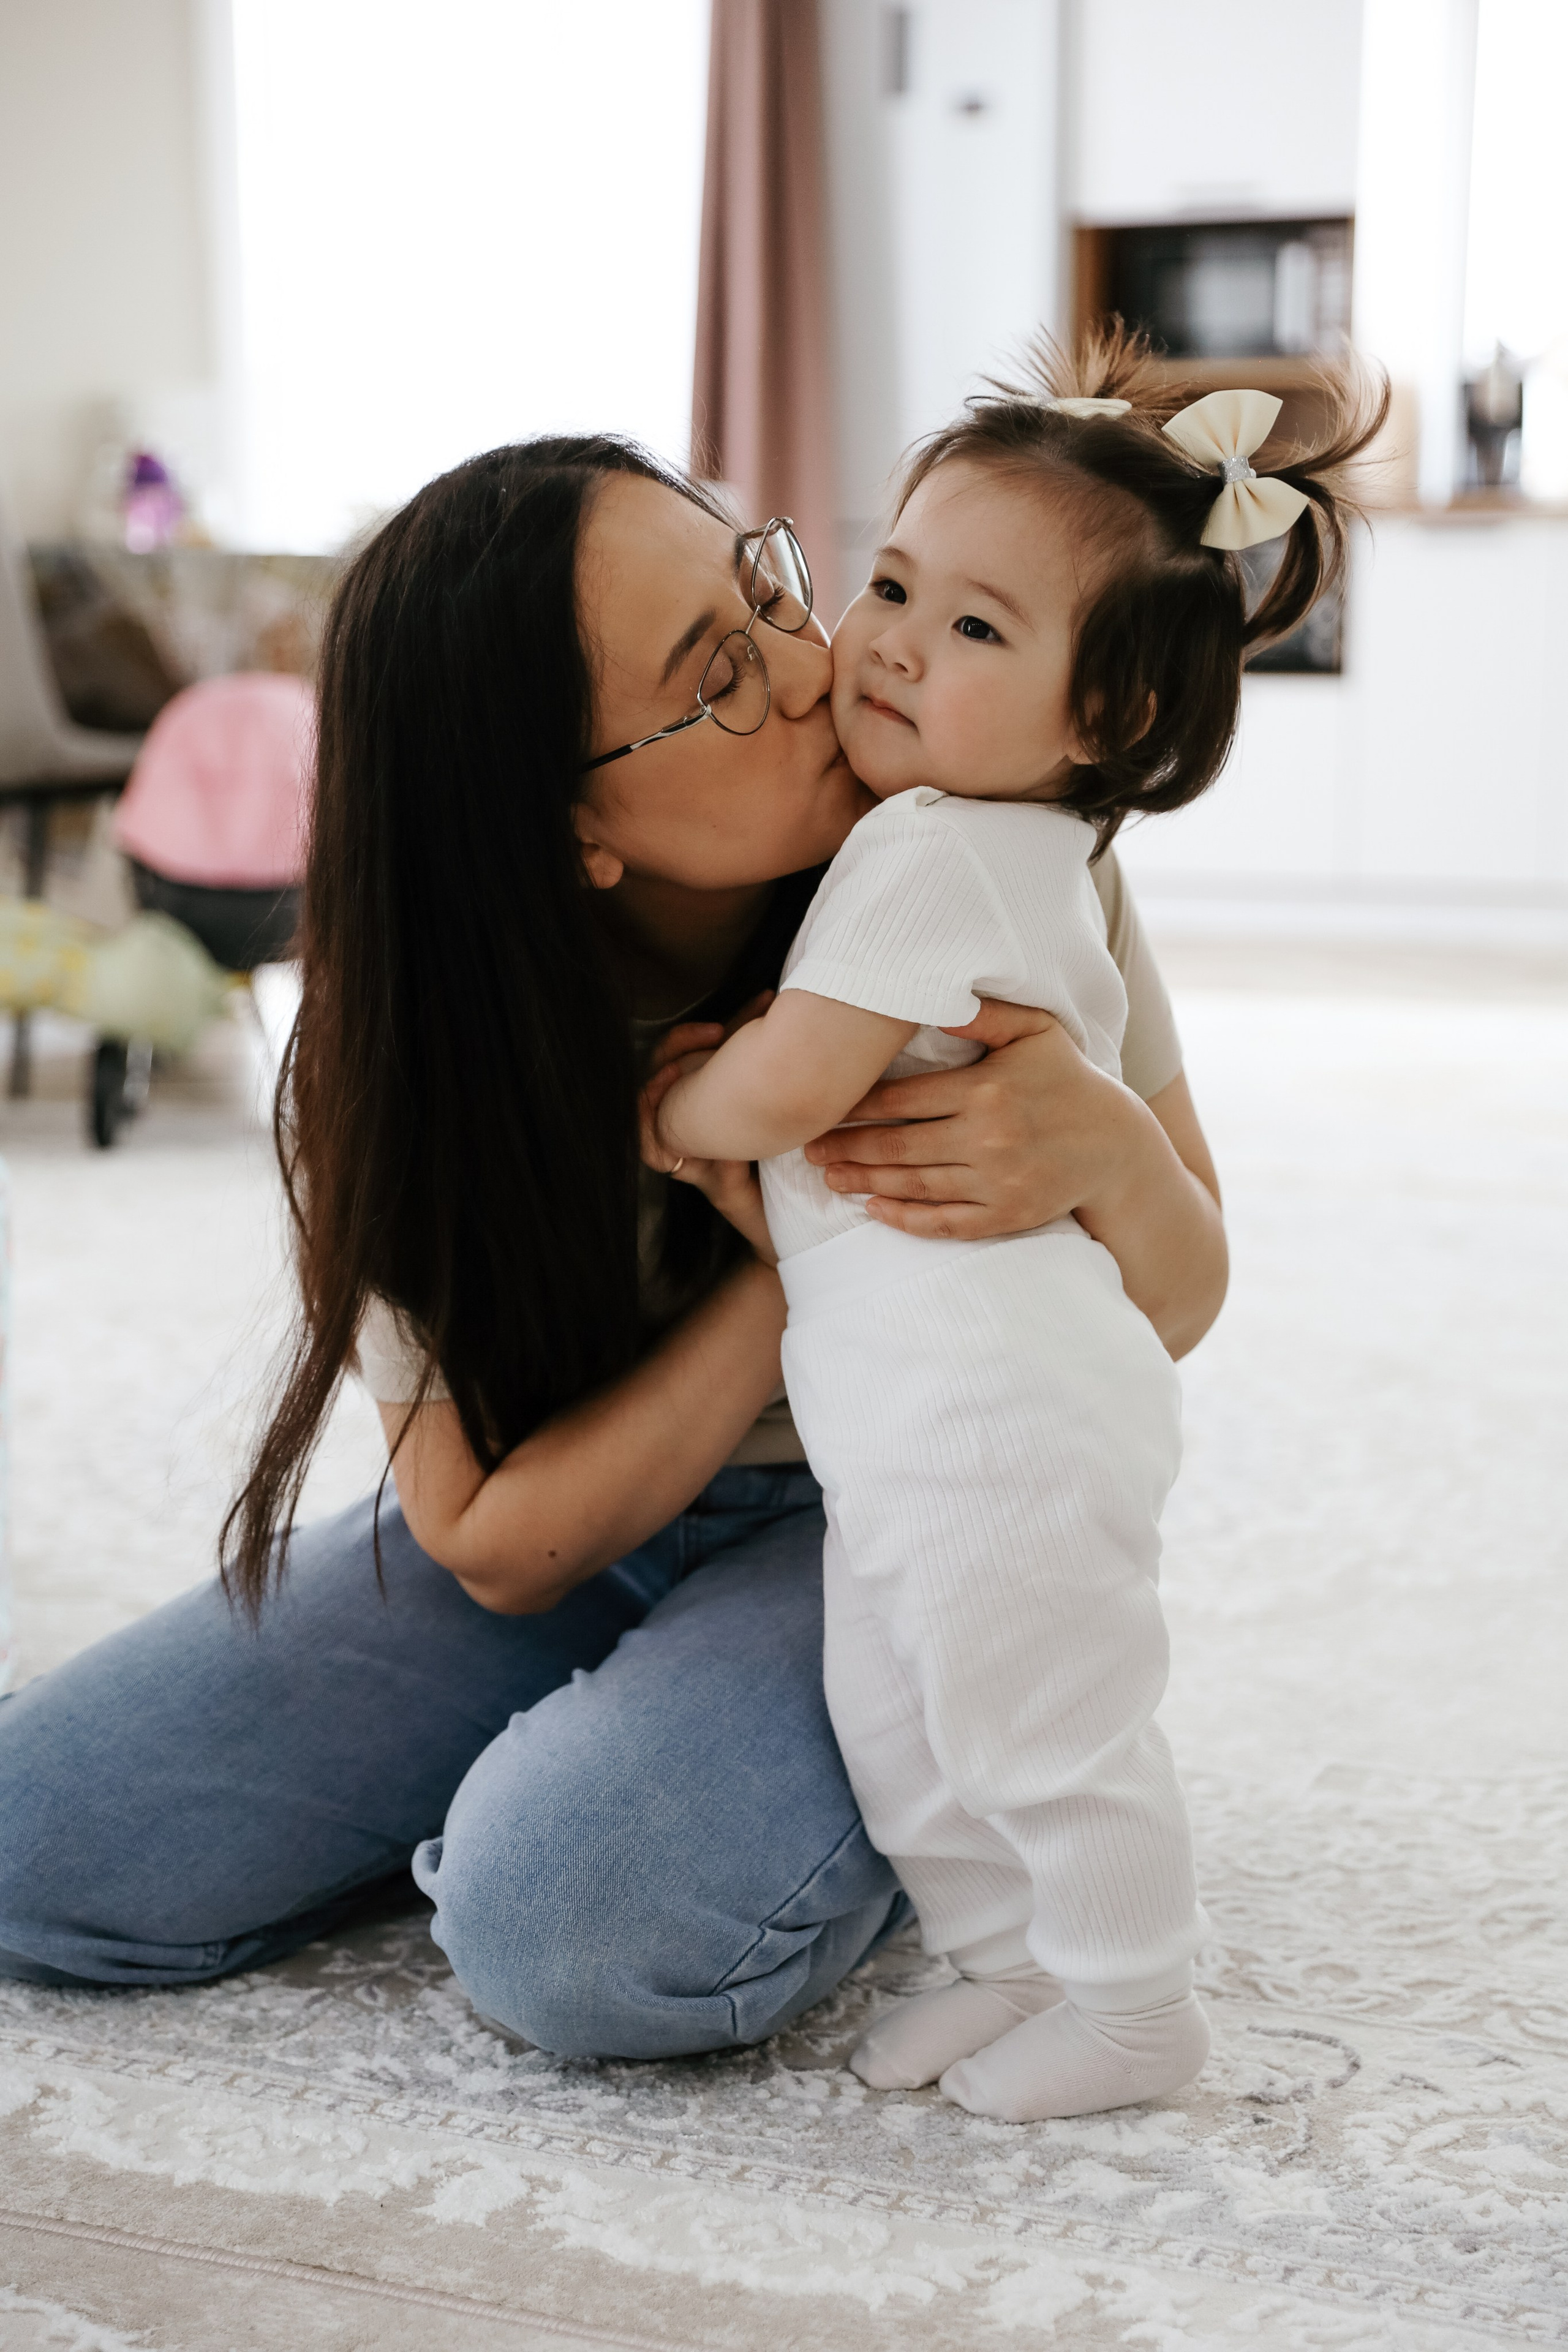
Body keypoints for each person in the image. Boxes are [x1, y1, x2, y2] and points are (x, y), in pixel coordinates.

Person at [0, 425, 1229, 2063]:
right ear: (564, 824)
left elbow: (1185, 1295)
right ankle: (606, 1751)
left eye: (771, 587)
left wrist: (1113, 1150)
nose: (819, 667)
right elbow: (491, 1539)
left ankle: (920, 1800)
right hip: (576, 1516)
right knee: (35, 1846)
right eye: (720, 675)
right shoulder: (416, 1045)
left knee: (576, 1926)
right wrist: (788, 1277)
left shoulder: (987, 850)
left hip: (884, 1519)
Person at [644, 328, 1384, 2119]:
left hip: (1003, 1412)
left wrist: (672, 1098)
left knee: (1042, 1724)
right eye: (890, 581)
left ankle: (1137, 2004)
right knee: (908, 1721)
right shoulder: (990, 837)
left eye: (977, 628)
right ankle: (1005, 1964)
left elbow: (792, 1088)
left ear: (1105, 721)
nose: (892, 639)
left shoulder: (943, 850)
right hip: (912, 1409)